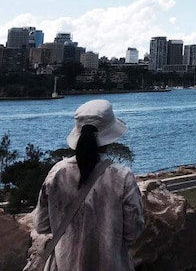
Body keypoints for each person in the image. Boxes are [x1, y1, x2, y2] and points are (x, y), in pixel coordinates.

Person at [34, 99, 145, 271]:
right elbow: (133, 232)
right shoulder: (122, 177)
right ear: (110, 136)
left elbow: (41, 225)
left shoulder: (56, 174)